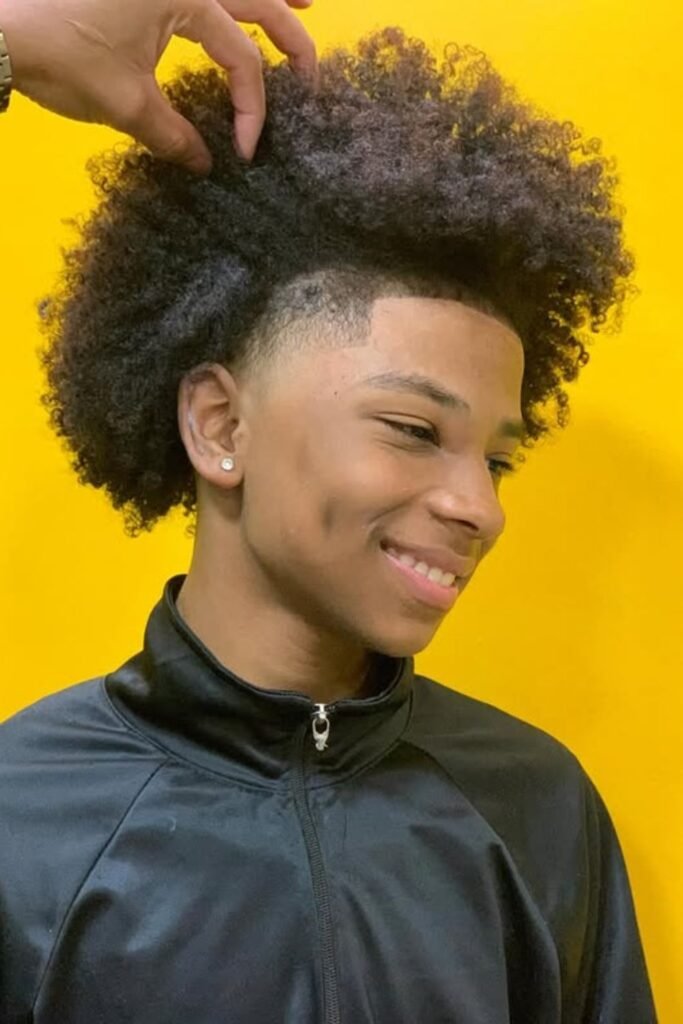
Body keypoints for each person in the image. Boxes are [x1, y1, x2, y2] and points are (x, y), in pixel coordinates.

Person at [0, 3, 658, 1022]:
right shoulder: (20, 819)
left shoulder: (534, 807)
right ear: (221, 424)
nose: (478, 507)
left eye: (495, 459)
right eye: (412, 429)